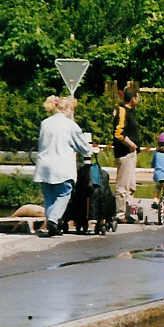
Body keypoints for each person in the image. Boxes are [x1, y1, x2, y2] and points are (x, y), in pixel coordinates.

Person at [33, 95, 94, 236]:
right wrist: (91, 150)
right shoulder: (70, 125)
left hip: (44, 166)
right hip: (61, 165)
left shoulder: (45, 123)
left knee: (49, 196)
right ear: (68, 109)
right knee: (64, 193)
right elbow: (83, 147)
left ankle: (51, 224)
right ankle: (54, 220)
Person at [113, 87, 140, 223]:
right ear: (133, 98)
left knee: (130, 185)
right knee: (123, 185)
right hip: (124, 153)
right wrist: (131, 145)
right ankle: (119, 214)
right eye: (137, 96)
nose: (139, 99)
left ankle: (128, 212)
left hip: (131, 153)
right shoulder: (122, 111)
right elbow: (118, 133)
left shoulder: (130, 111)